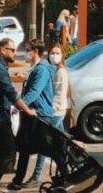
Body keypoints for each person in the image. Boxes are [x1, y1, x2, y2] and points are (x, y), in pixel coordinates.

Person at [0, 36, 36, 182]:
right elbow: (11, 93)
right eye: (12, 50)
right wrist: (28, 111)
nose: (15, 53)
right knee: (8, 150)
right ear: (3, 50)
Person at [8, 40, 55, 191]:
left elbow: (35, 91)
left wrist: (19, 104)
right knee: (24, 146)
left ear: (35, 51)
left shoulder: (42, 69)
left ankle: (29, 178)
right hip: (31, 113)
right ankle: (18, 179)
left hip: (39, 114)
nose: (26, 53)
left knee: (43, 147)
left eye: (28, 50)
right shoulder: (35, 68)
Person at [28, 44, 71, 185]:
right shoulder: (52, 69)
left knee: (45, 142)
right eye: (52, 52)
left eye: (57, 53)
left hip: (56, 112)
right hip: (57, 111)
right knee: (61, 143)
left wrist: (50, 110)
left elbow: (59, 94)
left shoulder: (61, 72)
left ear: (62, 55)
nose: (54, 55)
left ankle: (36, 175)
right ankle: (66, 172)